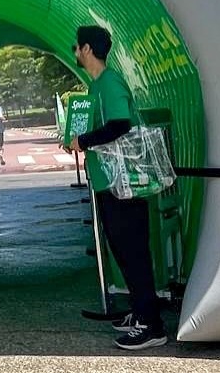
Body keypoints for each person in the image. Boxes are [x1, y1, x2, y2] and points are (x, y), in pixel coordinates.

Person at [66, 25, 167, 351]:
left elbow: (121, 124)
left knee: (134, 252)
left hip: (123, 184)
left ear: (87, 49)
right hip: (109, 183)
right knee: (123, 251)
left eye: (77, 47)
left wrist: (85, 140)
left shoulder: (110, 83)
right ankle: (140, 312)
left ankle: (152, 325)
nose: (75, 52)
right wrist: (77, 140)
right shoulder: (96, 86)